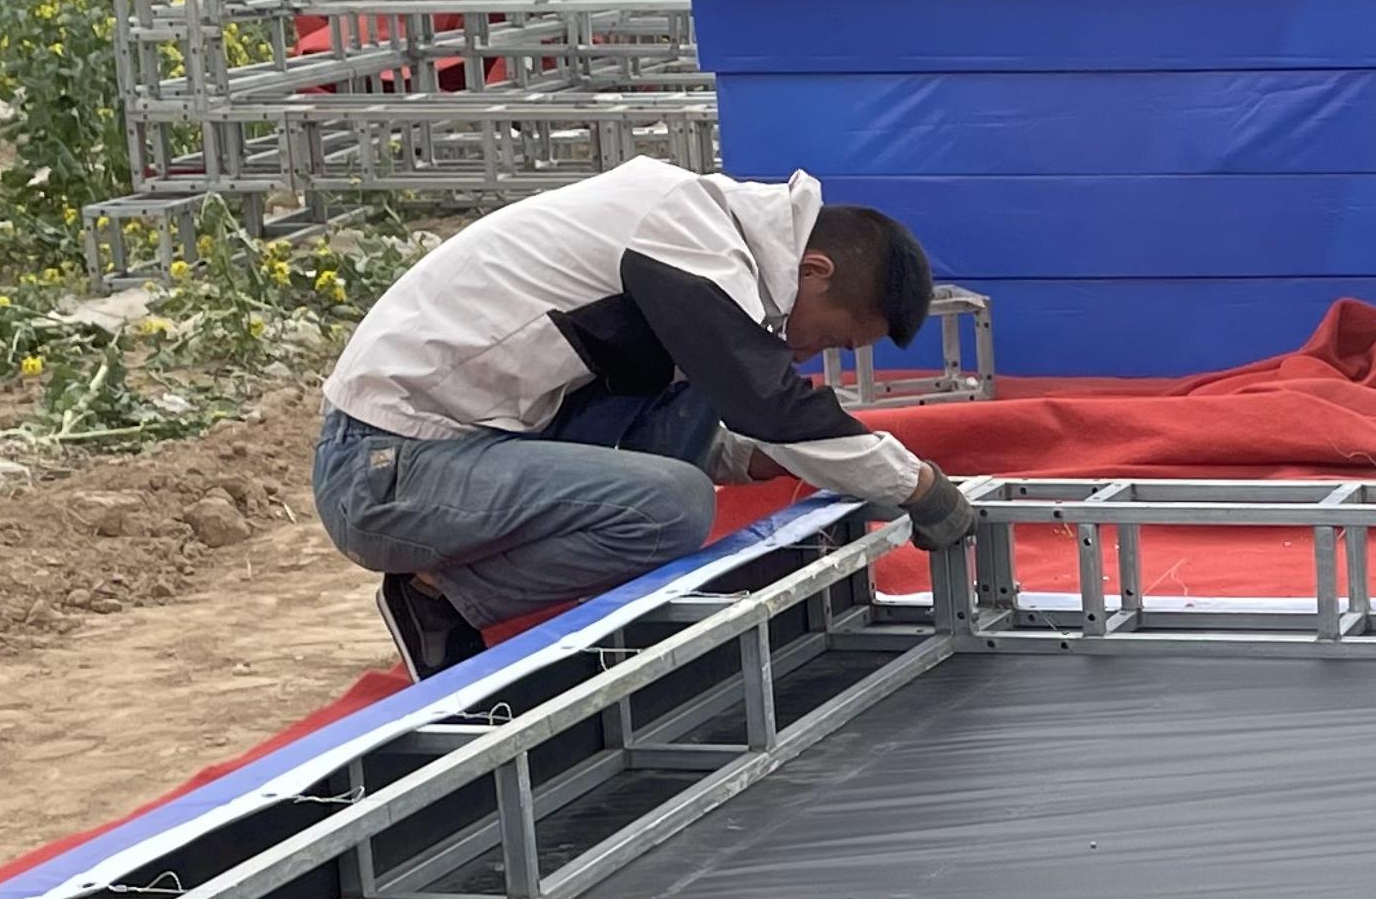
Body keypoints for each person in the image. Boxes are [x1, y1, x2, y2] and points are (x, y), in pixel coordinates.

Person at [312, 157, 982, 677]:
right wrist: (920, 489)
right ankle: (443, 595)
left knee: (711, 390)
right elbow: (770, 404)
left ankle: (471, 592)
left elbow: (673, 412)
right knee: (673, 508)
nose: (809, 353)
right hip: (383, 469)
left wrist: (752, 458)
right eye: (830, 339)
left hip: (449, 448)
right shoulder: (685, 232)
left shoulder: (708, 250)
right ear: (814, 269)